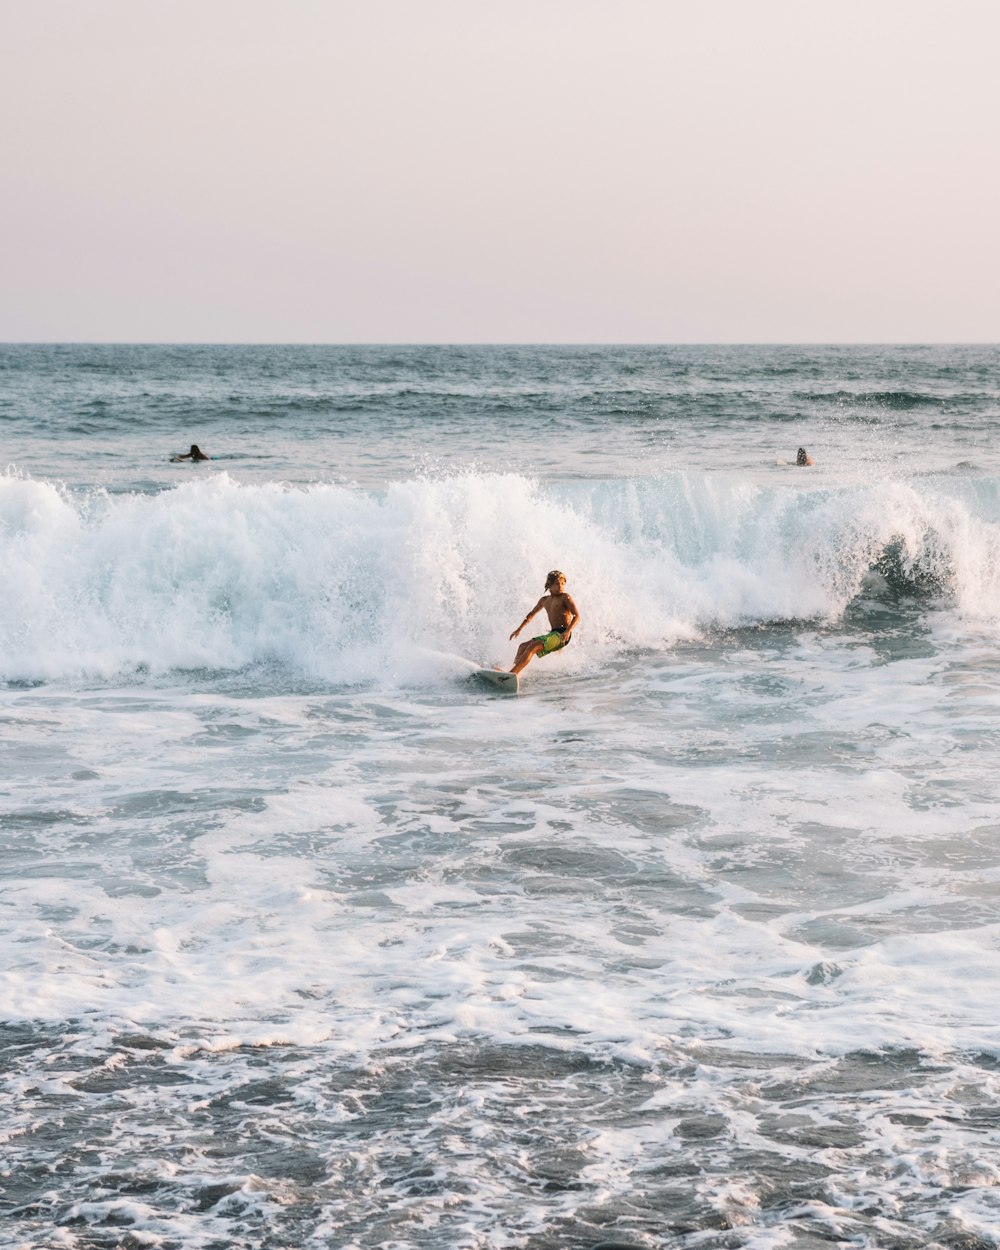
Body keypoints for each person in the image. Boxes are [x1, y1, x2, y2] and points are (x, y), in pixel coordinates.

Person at [508, 570, 580, 676]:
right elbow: (531, 614)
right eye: (557, 584)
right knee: (522, 646)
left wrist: (568, 631)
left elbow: (577, 616)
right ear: (549, 585)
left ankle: (513, 673)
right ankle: (512, 671)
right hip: (553, 634)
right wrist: (519, 629)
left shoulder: (565, 597)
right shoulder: (544, 600)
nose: (560, 586)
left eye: (563, 583)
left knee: (532, 648)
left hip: (562, 634)